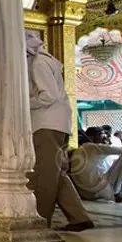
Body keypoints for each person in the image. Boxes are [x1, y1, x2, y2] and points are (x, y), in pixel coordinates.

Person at [25, 31, 93, 231]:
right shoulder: (45, 61)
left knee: (43, 175)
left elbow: (49, 96)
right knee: (56, 173)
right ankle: (78, 216)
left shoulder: (37, 63)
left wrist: (22, 104)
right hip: (56, 124)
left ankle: (40, 220)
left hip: (46, 124)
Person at [69, 127, 122, 203]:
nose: (105, 137)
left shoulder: (82, 149)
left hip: (84, 193)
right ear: (91, 137)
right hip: (100, 190)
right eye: (101, 134)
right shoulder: (93, 147)